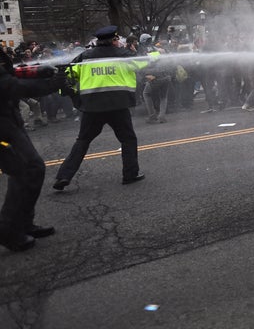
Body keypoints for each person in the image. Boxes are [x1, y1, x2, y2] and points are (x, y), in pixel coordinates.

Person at [53, 26, 147, 191]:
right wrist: (137, 50)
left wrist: (74, 95)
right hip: (118, 107)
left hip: (92, 108)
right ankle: (130, 175)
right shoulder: (123, 55)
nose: (119, 42)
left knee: (82, 141)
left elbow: (68, 74)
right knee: (128, 139)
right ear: (113, 40)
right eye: (118, 39)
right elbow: (144, 63)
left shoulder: (85, 56)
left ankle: (64, 176)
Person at [0, 49, 68, 251]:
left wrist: (37, 71)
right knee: (25, 170)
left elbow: (9, 73)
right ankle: (7, 230)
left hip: (8, 119)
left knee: (33, 169)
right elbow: (10, 86)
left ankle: (22, 223)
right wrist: (50, 85)